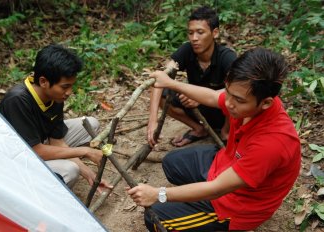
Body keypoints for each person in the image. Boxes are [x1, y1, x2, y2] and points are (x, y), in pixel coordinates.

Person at [127, 48, 301, 231]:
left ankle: (216, 221)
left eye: (238, 100)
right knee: (172, 164)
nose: (228, 102)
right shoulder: (245, 99)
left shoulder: (272, 143)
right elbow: (212, 96)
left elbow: (218, 188)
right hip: (226, 164)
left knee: (156, 217)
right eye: (228, 91)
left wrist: (159, 194)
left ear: (266, 102)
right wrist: (171, 84)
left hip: (238, 205)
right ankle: (196, 201)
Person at [0, 44, 112, 192]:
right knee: (70, 171)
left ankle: (53, 170)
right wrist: (84, 151)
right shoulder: (17, 101)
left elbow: (57, 141)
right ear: (44, 82)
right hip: (16, 159)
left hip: (39, 143)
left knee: (91, 124)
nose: (69, 92)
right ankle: (38, 193)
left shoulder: (54, 96)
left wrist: (89, 174)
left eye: (71, 86)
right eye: (65, 87)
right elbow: (36, 151)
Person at [147, 6, 237, 147]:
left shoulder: (227, 58)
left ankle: (226, 133)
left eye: (200, 32)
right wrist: (152, 123)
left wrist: (199, 99)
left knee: (233, 99)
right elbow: (159, 80)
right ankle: (198, 129)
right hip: (197, 111)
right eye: (190, 33)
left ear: (215, 33)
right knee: (164, 94)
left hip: (224, 113)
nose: (194, 38)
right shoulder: (187, 50)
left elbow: (237, 94)